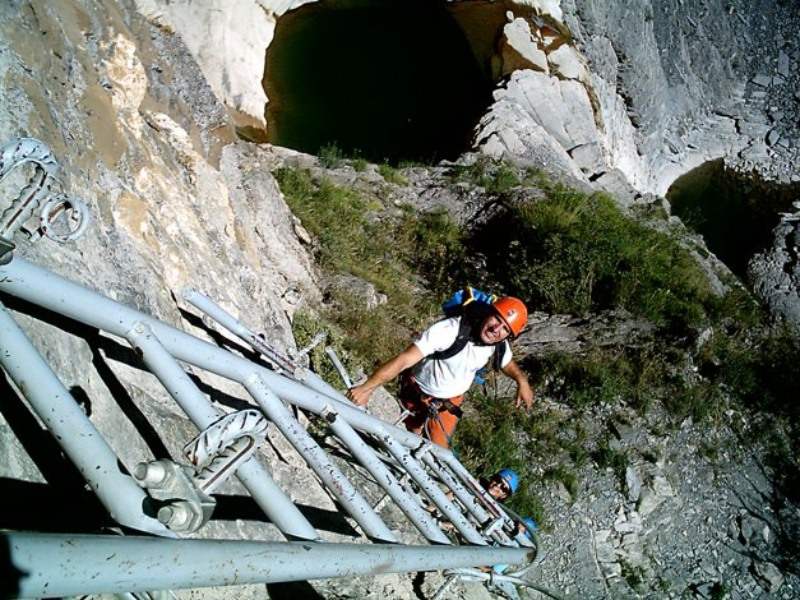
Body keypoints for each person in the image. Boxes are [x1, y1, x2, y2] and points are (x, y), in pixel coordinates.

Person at [346, 296, 534, 448]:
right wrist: (367, 388)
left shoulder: (498, 345)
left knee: (437, 451)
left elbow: (507, 362)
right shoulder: (449, 330)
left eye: (504, 329)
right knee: (409, 432)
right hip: (416, 389)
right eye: (497, 320)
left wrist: (522, 381)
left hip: (447, 403)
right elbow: (404, 359)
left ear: (508, 336)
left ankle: (442, 490)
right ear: (488, 313)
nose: (496, 330)